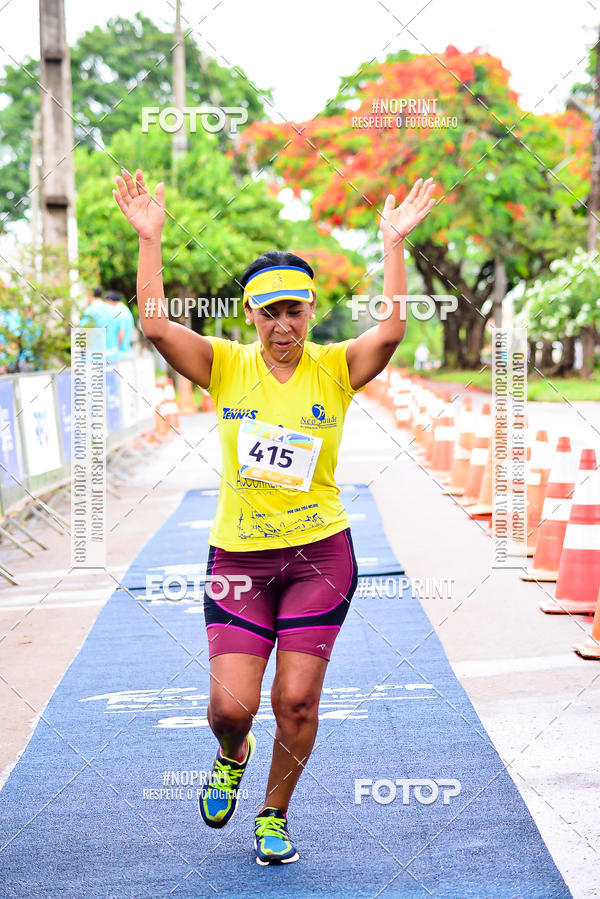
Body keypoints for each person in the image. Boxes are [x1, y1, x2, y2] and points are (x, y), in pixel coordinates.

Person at [113, 167, 436, 866]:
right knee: (231, 708)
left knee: (295, 700)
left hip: (321, 555)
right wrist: (151, 238)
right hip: (240, 561)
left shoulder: (335, 368)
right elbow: (155, 323)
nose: (282, 324)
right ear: (251, 315)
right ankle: (233, 753)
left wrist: (391, 244)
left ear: (310, 311)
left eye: (294, 309)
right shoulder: (226, 366)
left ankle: (274, 812)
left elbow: (392, 326)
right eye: (269, 312)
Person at [105, 289, 135, 358]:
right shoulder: (124, 309)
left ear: (110, 301)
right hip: (125, 350)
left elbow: (121, 332)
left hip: (121, 352)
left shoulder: (119, 311)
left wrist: (116, 349)